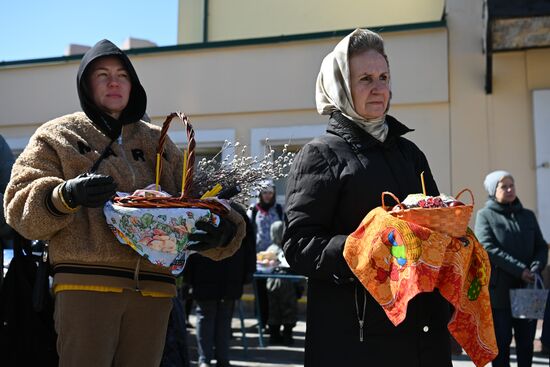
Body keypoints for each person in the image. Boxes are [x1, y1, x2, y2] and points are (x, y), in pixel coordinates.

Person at [3, 39, 244, 367]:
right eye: (102, 74)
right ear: (86, 84)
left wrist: (223, 231)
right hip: (85, 287)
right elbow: (19, 209)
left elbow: (195, 203)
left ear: (133, 84)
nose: (114, 81)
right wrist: (65, 195)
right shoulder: (57, 136)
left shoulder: (160, 142)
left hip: (155, 292)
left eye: (122, 75)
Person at [283, 28, 453, 366]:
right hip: (357, 338)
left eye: (383, 77)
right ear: (342, 87)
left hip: (421, 332)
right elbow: (298, 246)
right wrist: (365, 248)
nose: (378, 88)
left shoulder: (410, 154)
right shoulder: (320, 155)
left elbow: (432, 223)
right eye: (365, 79)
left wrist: (449, 231)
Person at [475, 170, 548, 367]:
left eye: (511, 185)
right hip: (500, 293)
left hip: (527, 290)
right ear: (492, 190)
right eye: (503, 186)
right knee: (501, 343)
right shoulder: (485, 216)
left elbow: (541, 246)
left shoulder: (527, 216)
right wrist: (520, 270)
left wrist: (535, 266)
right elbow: (488, 248)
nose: (509, 189)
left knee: (526, 343)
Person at [184, 203, 256, 367]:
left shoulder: (200, 207)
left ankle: (207, 359)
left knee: (208, 315)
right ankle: (219, 359)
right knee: (221, 316)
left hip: (210, 274)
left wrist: (188, 277)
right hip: (225, 275)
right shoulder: (238, 213)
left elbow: (189, 243)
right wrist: (247, 273)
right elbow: (249, 246)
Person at [247, 182, 284, 331]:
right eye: (264, 193)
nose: (268, 195)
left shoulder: (280, 209)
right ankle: (261, 321)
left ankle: (274, 322)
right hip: (259, 258)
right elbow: (249, 233)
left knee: (274, 290)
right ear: (260, 194)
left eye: (270, 193)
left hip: (276, 257)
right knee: (260, 290)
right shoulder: (253, 211)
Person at [264, 220, 299, 346]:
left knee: (273, 308)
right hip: (287, 282)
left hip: (271, 280)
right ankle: (288, 336)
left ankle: (274, 336)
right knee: (288, 308)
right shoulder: (288, 248)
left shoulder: (270, 249)